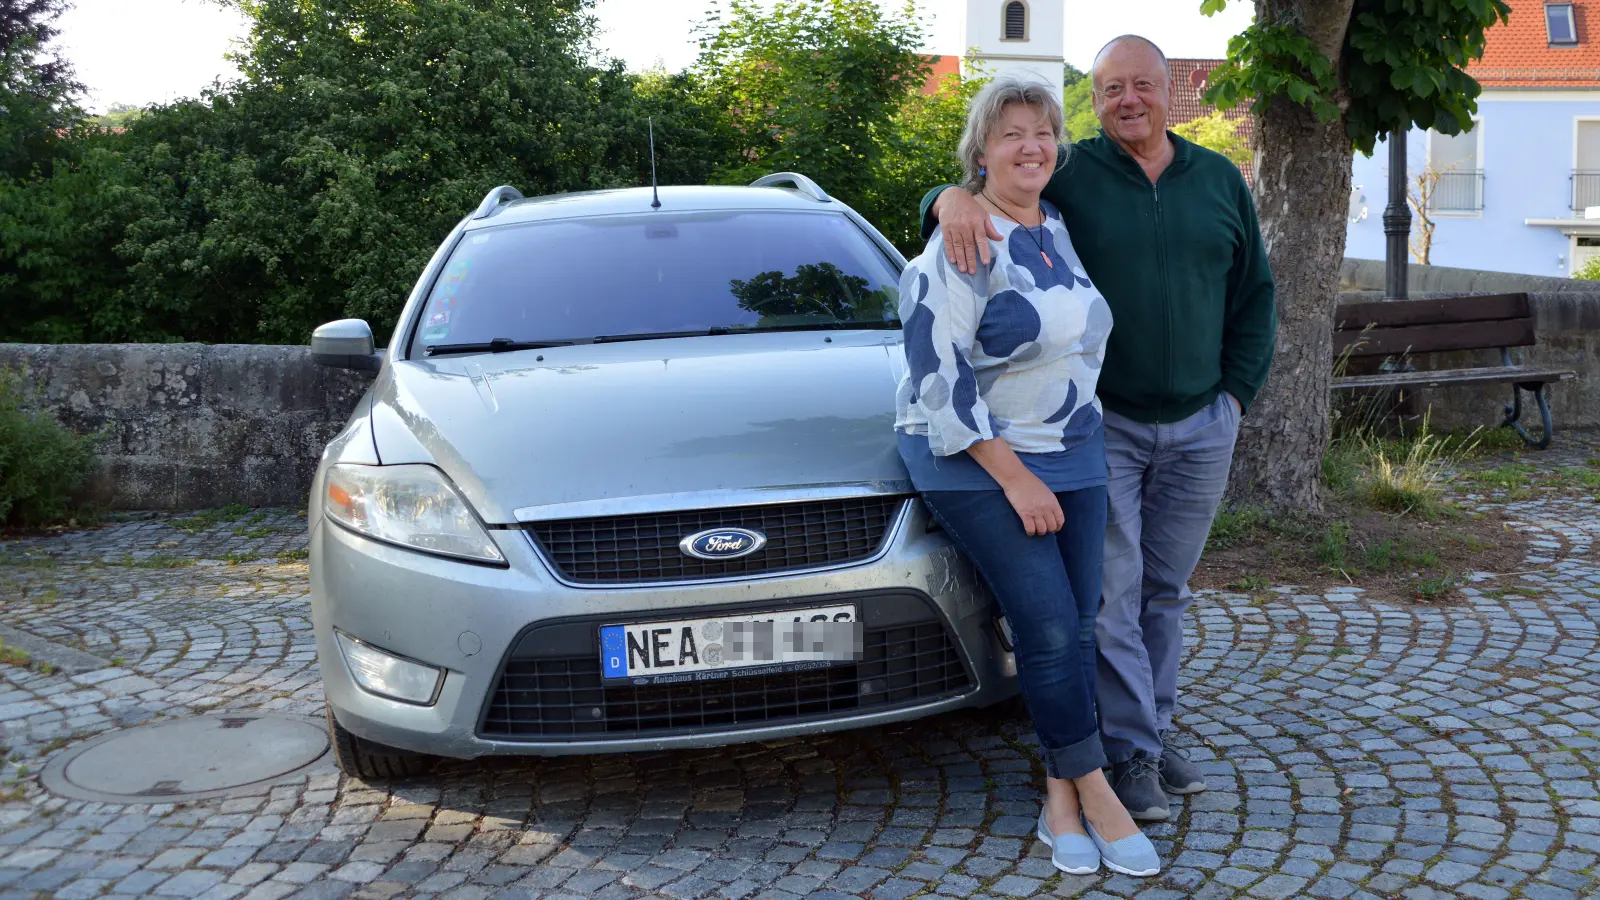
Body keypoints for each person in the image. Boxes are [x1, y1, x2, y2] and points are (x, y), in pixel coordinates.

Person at [919, 36, 1277, 822]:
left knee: (1166, 591)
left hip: (1203, 422)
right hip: (1102, 425)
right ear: (1097, 97)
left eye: (1142, 85)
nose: (1128, 100)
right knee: (1113, 594)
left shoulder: (1218, 177)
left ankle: (1151, 727)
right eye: (1112, 88)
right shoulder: (1072, 169)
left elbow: (1256, 293)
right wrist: (944, 199)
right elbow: (991, 182)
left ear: (1169, 90)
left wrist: (1235, 398)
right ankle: (1130, 751)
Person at [895, 73, 1160, 878]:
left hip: (1073, 448)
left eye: (1042, 131)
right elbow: (938, 379)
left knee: (1076, 627)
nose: (1030, 146)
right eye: (1010, 134)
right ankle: (1098, 791)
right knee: (1045, 626)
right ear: (980, 152)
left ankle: (1059, 800)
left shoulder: (1057, 229)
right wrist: (1014, 478)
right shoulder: (960, 243)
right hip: (975, 456)